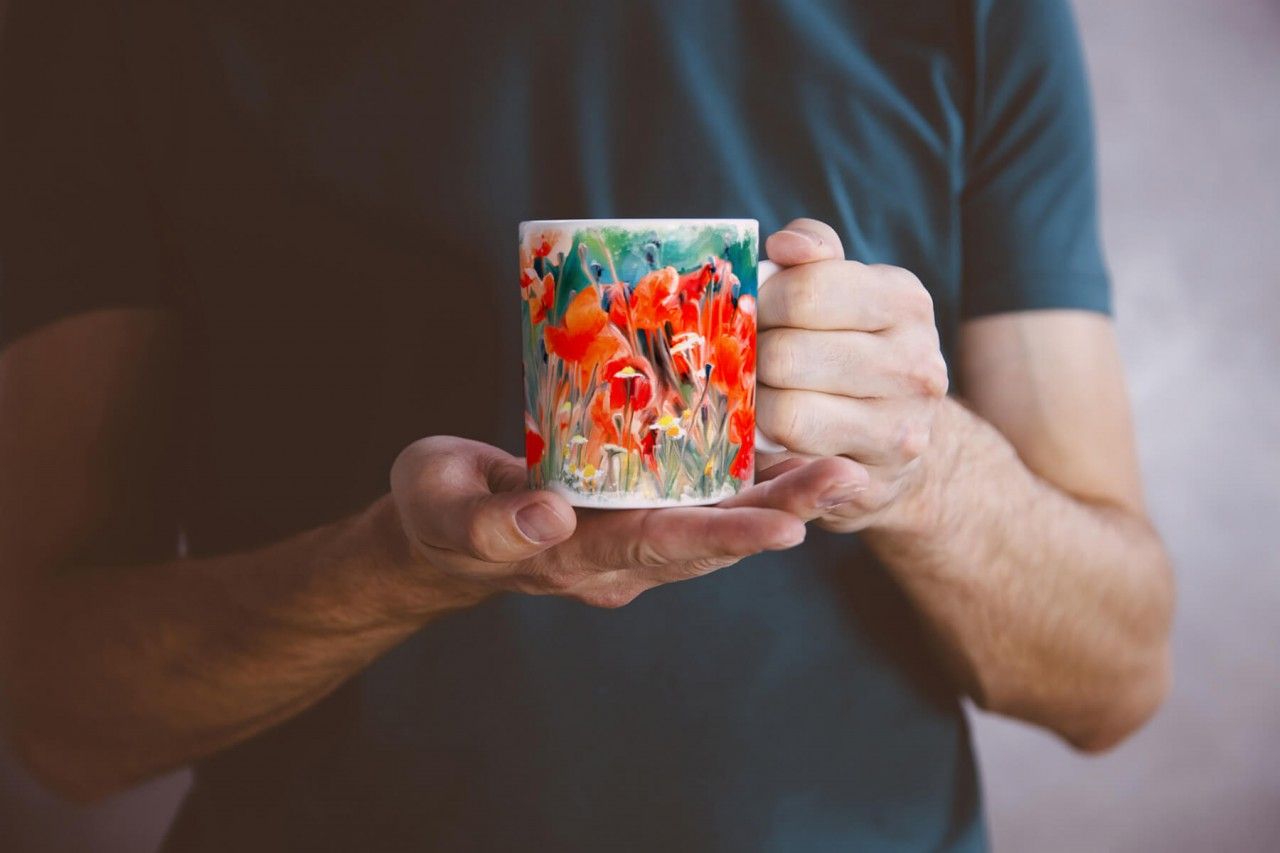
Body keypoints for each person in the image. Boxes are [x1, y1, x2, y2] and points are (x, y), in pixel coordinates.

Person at [0, 0, 1173, 850]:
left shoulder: (976, 13)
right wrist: (391, 570)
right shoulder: (122, 26)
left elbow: (1111, 679)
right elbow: (56, 721)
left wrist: (925, 472)